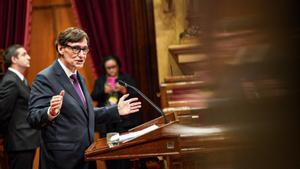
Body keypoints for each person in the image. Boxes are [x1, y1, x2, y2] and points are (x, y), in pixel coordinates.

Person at [27, 27, 141, 169]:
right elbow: (32, 118)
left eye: (85, 49)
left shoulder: (79, 77)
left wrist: (116, 110)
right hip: (62, 160)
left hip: (86, 156)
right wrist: (50, 112)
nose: (81, 55)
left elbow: (85, 114)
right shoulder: (45, 78)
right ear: (61, 49)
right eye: (76, 49)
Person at [91, 55, 142, 169]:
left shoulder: (126, 78)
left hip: (124, 122)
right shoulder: (101, 80)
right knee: (110, 153)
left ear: (118, 66)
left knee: (124, 154)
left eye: (113, 67)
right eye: (108, 68)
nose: (111, 70)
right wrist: (104, 91)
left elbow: (136, 95)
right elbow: (93, 96)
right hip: (107, 124)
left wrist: (125, 91)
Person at [0, 44, 40, 169]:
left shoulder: (20, 80)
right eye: (24, 54)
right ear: (14, 59)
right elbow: (2, 113)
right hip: (19, 142)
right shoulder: (10, 81)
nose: (28, 57)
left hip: (25, 141)